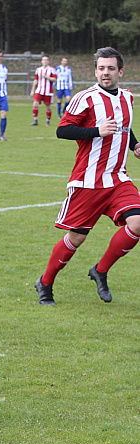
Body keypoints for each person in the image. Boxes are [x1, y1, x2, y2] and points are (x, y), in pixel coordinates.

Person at [35, 47, 140, 306]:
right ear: (96, 71)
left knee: (138, 223)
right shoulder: (86, 98)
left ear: (120, 72)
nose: (106, 73)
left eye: (111, 68)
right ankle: (45, 282)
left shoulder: (128, 97)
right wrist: (96, 131)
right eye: (101, 68)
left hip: (117, 179)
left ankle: (100, 271)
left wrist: (135, 145)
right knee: (77, 238)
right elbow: (63, 131)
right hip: (88, 181)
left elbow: (124, 127)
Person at [30, 54, 57, 126]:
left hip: (48, 91)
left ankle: (48, 121)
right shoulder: (38, 70)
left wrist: (46, 77)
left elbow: (54, 79)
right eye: (44, 60)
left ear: (48, 61)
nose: (45, 61)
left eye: (46, 60)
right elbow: (36, 80)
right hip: (39, 90)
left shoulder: (52, 69)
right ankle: (35, 120)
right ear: (41, 61)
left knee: (48, 106)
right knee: (35, 104)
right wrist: (33, 90)